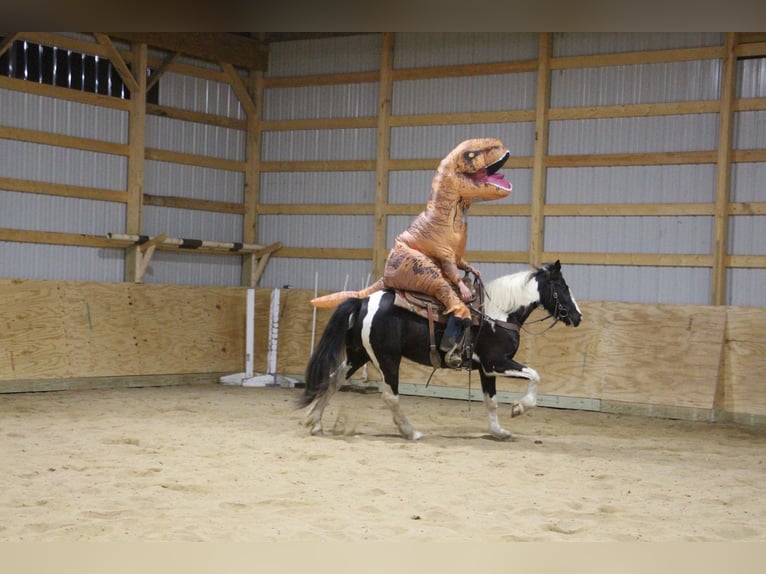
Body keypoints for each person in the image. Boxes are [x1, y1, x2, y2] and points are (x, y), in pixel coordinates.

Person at [311, 137, 512, 367]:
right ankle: (450, 348)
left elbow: (448, 251)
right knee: (456, 301)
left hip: (424, 255)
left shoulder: (453, 214)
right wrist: (460, 281)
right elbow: (444, 254)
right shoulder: (444, 211)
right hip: (406, 259)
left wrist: (466, 266)